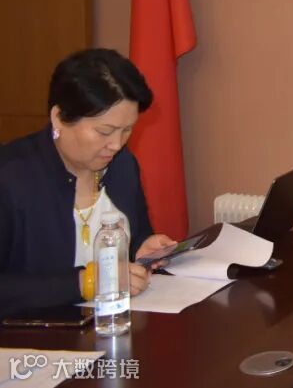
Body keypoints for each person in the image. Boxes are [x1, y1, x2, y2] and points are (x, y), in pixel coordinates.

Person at [0, 48, 176, 318]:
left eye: (127, 130)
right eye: (104, 131)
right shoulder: (11, 177)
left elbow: (136, 237)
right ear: (59, 117)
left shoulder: (123, 165)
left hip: (113, 325)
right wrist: (85, 283)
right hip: (33, 338)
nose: (116, 144)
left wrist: (143, 251)